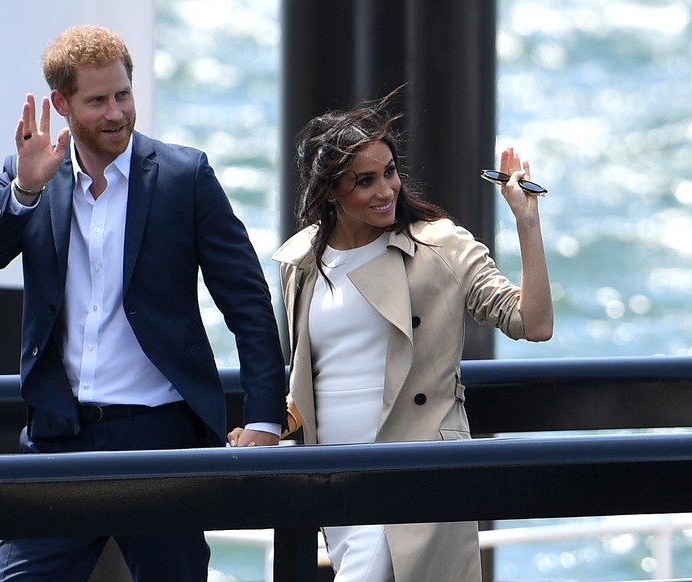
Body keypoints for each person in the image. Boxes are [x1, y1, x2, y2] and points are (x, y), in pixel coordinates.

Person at [0, 25, 287, 582]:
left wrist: (264, 419)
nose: (116, 113)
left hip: (160, 440)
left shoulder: (186, 176)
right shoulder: (31, 171)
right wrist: (24, 191)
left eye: (123, 94)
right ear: (61, 104)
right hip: (58, 437)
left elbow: (247, 300)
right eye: (97, 101)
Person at [230, 93, 553, 580]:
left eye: (389, 172)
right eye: (365, 180)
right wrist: (269, 425)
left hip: (416, 470)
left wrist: (526, 223)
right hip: (337, 478)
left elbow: (533, 323)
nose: (386, 190)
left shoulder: (439, 247)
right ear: (330, 190)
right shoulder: (302, 263)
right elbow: (317, 374)